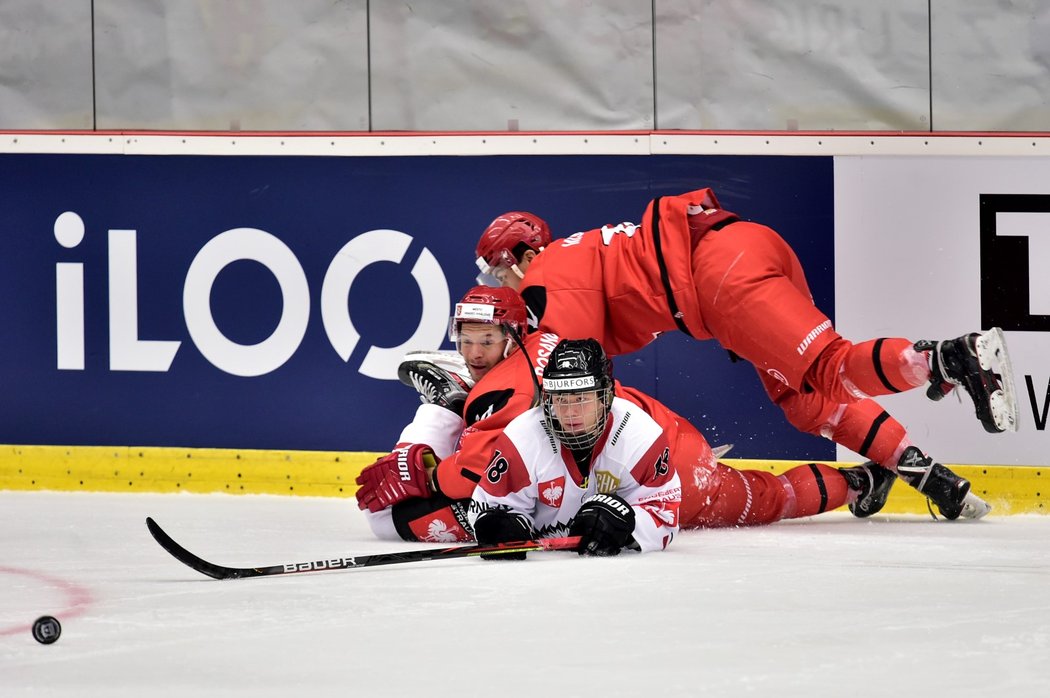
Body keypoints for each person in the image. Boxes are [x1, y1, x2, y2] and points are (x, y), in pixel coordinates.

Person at [473, 199, 1017, 521]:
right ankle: (928, 475)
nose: (505, 286)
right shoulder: (578, 253)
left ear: (524, 255)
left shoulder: (545, 273)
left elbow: (571, 369)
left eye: (501, 273)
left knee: (829, 366)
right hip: (744, 247)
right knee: (805, 400)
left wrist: (484, 413)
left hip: (719, 281)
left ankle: (949, 358)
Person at [354, 286, 896, 544]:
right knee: (763, 495)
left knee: (763, 500)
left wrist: (419, 464)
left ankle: (857, 481)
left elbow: (468, 483)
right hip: (656, 427)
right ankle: (859, 480)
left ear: (512, 336)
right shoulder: (545, 344)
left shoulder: (501, 399)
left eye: (486, 339)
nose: (474, 352)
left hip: (654, 465)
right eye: (466, 340)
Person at [469, 338, 681, 557]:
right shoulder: (520, 439)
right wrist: (498, 527)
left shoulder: (640, 436)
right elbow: (487, 508)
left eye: (581, 399)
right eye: (561, 399)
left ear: (605, 397)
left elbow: (665, 515)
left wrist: (628, 526)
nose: (570, 413)